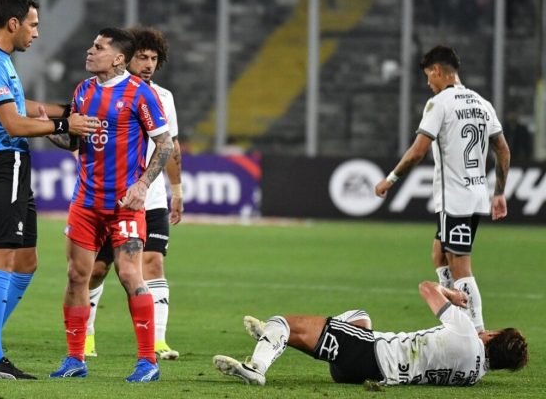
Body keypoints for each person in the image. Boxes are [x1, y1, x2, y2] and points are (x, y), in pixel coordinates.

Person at [0, 0, 99, 380]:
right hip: (2, 165)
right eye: (33, 24)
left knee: (26, 262)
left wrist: (64, 110)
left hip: (16, 167)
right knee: (1, 259)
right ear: (13, 24)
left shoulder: (0, 61)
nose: (37, 33)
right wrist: (64, 125)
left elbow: (22, 105)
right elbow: (14, 124)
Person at [48, 27, 174, 382]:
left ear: (118, 57)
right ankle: (75, 359)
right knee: (77, 276)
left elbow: (164, 144)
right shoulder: (84, 90)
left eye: (99, 47)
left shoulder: (140, 94)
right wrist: (37, 128)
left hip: (125, 204)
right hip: (85, 202)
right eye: (92, 44)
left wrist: (143, 185)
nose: (90, 51)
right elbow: (72, 137)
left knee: (131, 274)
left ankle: (148, 361)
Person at [374, 45, 510, 333]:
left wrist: (390, 180)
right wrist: (499, 192)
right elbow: (503, 149)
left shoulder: (440, 103)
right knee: (439, 253)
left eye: (428, 76)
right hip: (475, 195)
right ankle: (456, 318)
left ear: (437, 70)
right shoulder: (482, 103)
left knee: (461, 266)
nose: (428, 83)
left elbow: (417, 152)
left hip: (456, 200)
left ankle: (477, 335)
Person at [84, 26, 184, 361]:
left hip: (150, 199)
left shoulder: (163, 97)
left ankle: (157, 341)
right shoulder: (102, 92)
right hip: (111, 199)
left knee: (153, 263)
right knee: (96, 269)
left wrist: (176, 190)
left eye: (154, 58)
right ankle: (86, 337)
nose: (149, 64)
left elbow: (170, 145)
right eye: (143, 57)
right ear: (125, 58)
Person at [213, 281, 528, 386]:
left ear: (492, 337)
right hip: (369, 374)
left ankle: (258, 367)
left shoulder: (466, 333)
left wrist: (453, 296)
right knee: (359, 316)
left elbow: (426, 288)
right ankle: (272, 339)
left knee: (283, 320)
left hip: (371, 352)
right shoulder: (475, 375)